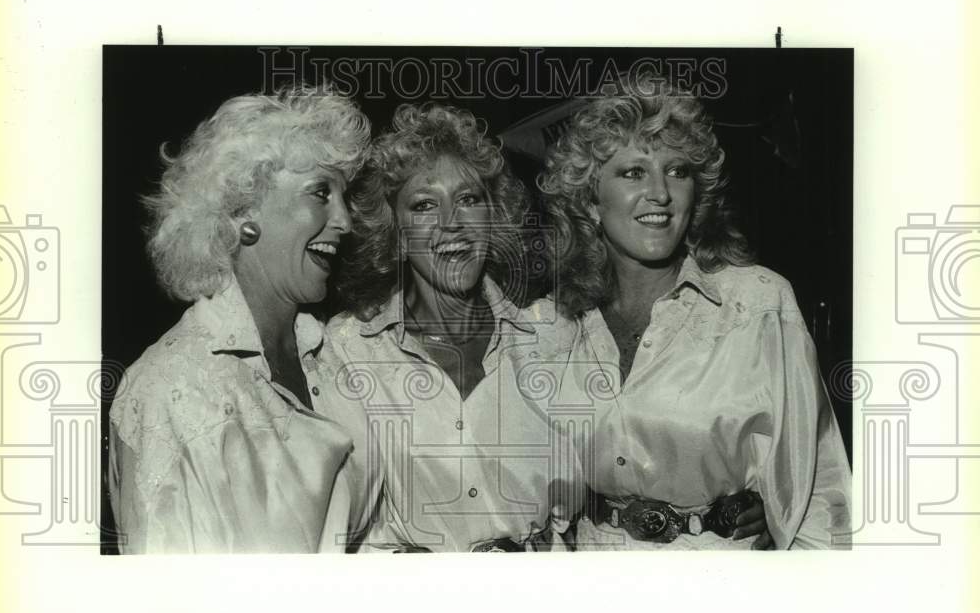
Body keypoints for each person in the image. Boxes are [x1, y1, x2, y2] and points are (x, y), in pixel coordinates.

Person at [538, 72, 852, 550]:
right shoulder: (555, 325)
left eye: (678, 171)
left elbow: (822, 498)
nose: (660, 193)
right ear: (590, 200)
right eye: (632, 172)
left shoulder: (759, 303)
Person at [108, 85, 371, 553]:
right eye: (320, 193)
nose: (346, 221)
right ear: (244, 212)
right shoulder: (171, 389)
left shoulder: (333, 356)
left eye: (343, 196)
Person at [313, 102, 584, 552]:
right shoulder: (346, 352)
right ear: (397, 235)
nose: (452, 223)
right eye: (424, 205)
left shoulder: (553, 336)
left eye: (468, 199)